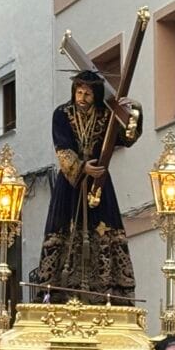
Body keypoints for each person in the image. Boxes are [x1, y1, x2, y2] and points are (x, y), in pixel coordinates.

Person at [30, 69, 143, 301]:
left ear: (96, 95)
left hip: (100, 182)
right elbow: (62, 148)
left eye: (87, 94)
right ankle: (58, 291)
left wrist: (135, 111)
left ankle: (108, 289)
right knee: (63, 230)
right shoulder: (62, 113)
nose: (81, 98)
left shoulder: (106, 114)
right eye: (79, 92)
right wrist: (82, 168)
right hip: (70, 185)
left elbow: (127, 138)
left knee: (104, 230)